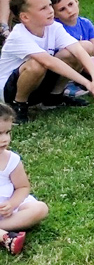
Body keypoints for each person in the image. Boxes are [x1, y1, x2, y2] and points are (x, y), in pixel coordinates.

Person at [0, 0, 94, 123]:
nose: (50, 11)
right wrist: (87, 83)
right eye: (42, 8)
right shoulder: (18, 35)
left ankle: (53, 98)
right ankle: (19, 105)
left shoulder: (53, 27)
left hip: (40, 81)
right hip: (11, 90)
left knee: (85, 46)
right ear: (25, 17)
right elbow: (48, 62)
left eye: (49, 5)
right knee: (36, 64)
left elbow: (77, 49)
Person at [0, 101, 50, 255]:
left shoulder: (11, 160)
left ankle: (3, 229)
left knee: (40, 209)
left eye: (7, 132)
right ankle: (5, 237)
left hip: (9, 210)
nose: (5, 139)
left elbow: (23, 187)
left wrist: (11, 204)